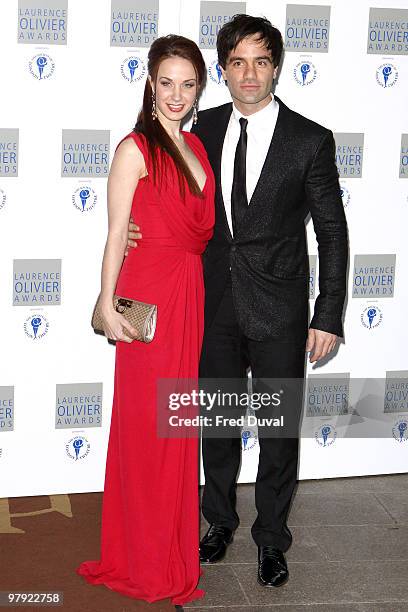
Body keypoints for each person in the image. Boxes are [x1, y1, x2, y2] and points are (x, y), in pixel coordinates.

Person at [127, 15, 348, 590]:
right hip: (212, 302)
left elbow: (332, 232)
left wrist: (328, 314)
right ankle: (218, 522)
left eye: (260, 61)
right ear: (221, 71)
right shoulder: (202, 128)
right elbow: (160, 192)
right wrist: (131, 229)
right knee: (217, 427)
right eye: (236, 62)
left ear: (276, 67)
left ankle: (272, 540)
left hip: (280, 310)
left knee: (278, 434)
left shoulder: (310, 139)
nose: (248, 73)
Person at [76, 35, 215, 607]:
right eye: (167, 82)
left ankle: (169, 552)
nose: (177, 93)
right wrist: (107, 303)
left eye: (188, 83)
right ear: (150, 84)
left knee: (177, 428)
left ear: (199, 87)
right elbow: (115, 234)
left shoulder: (200, 149)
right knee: (150, 430)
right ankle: (144, 558)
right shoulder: (134, 148)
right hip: (150, 303)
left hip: (190, 297)